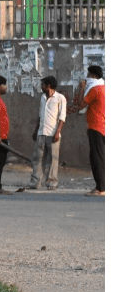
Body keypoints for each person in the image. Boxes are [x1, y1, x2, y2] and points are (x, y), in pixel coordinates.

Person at [27, 75, 67, 191]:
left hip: (53, 133)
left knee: (53, 159)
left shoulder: (60, 98)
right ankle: (35, 182)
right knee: (37, 158)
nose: (41, 86)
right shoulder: (42, 98)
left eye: (43, 84)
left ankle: (52, 182)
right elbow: (40, 115)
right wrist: (36, 130)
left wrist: (57, 132)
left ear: (48, 86)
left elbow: (62, 117)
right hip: (41, 132)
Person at [73, 65, 104, 196]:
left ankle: (100, 188)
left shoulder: (94, 89)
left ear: (92, 76)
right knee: (103, 157)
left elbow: (81, 105)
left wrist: (81, 88)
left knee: (96, 158)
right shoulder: (104, 89)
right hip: (104, 126)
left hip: (95, 126)